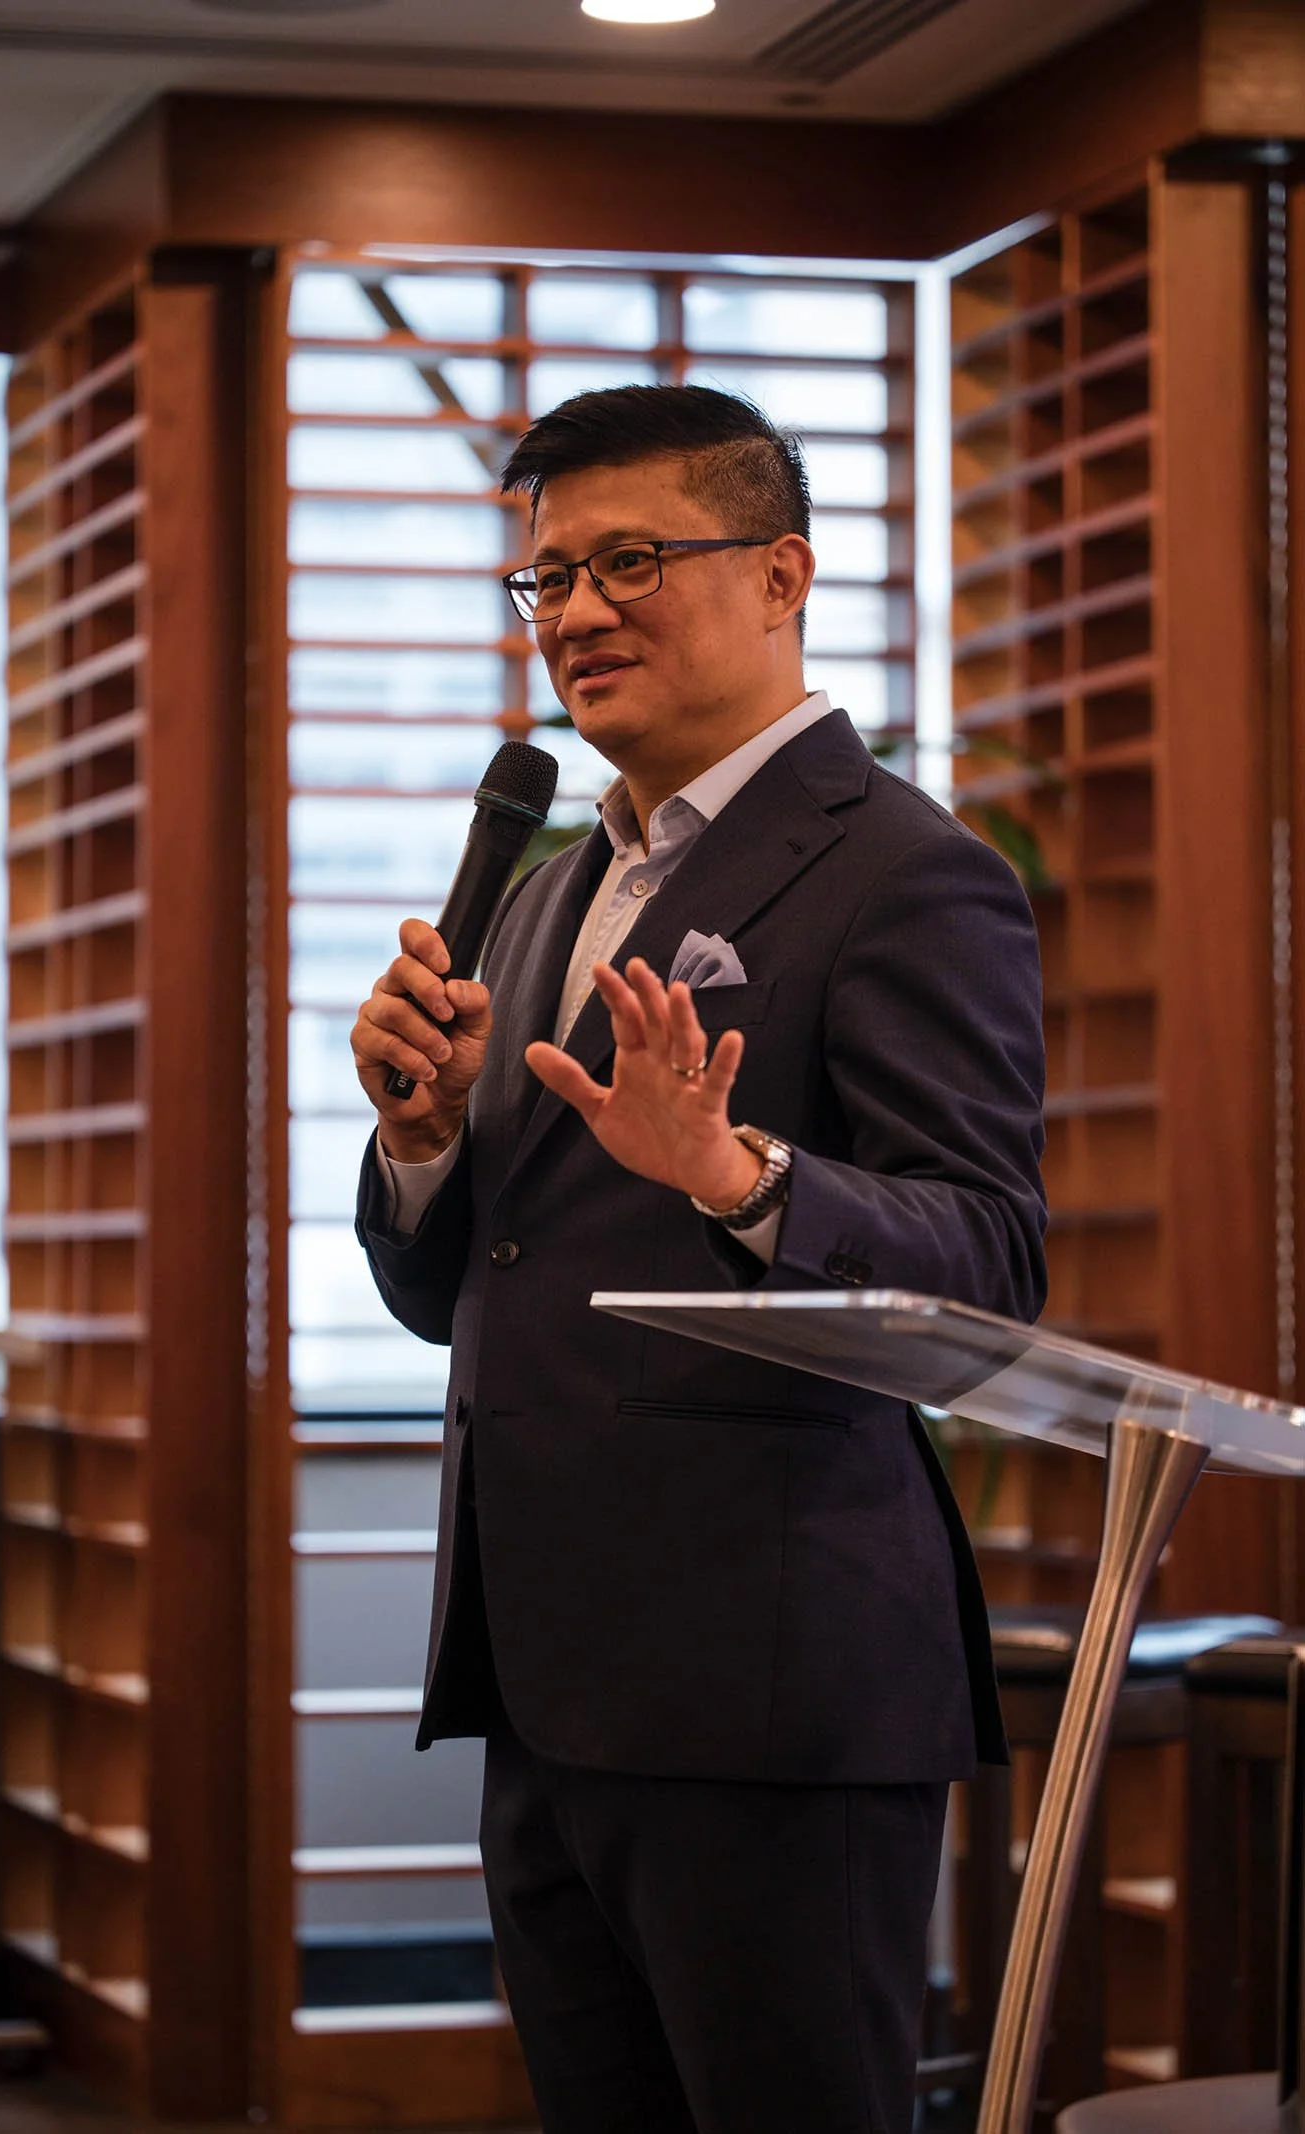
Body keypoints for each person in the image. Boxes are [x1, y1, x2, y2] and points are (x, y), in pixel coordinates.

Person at [350, 384, 1046, 2134]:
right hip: (543, 1669)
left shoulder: (908, 871)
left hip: (768, 1681)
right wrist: (422, 1142)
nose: (577, 611)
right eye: (547, 577)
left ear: (781, 572)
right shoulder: (546, 886)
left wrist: (740, 1173)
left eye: (632, 559)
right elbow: (471, 1282)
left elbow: (985, 1261)